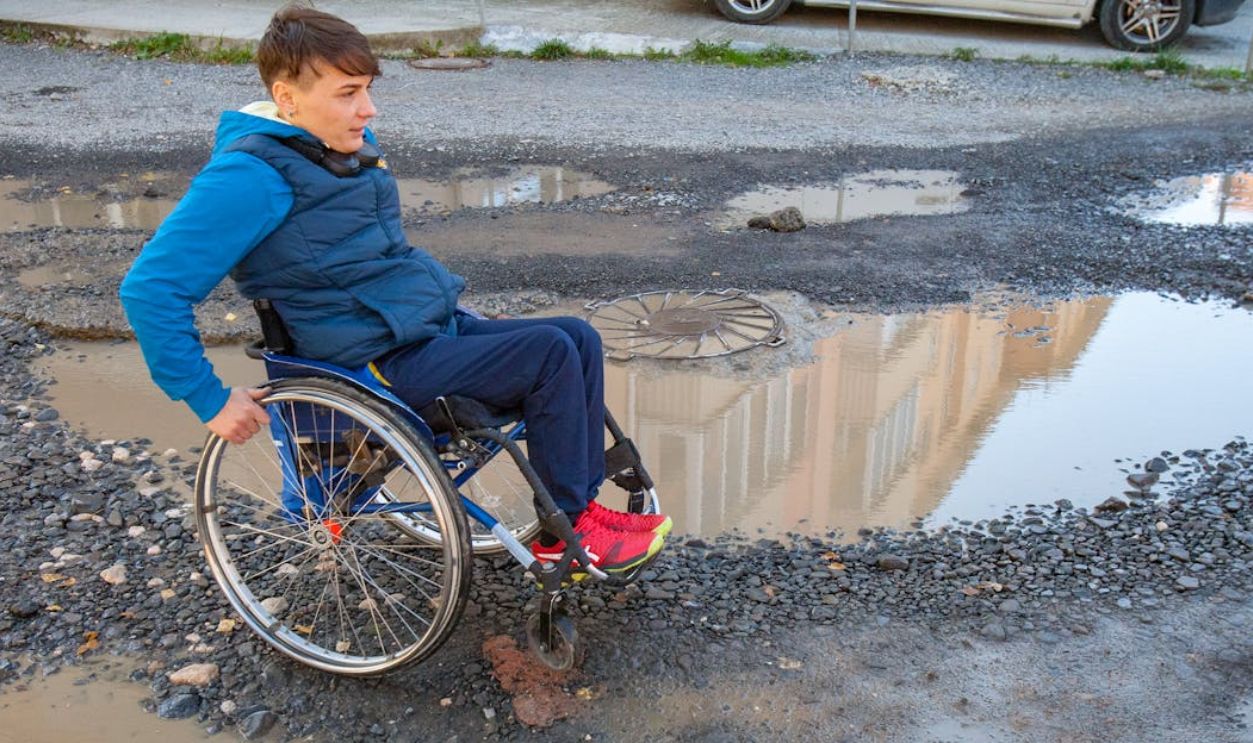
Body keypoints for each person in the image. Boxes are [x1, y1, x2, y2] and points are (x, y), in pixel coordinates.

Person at [119, 4, 670, 576]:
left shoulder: (334, 150)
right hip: (367, 366)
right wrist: (205, 397)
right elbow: (150, 289)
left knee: (576, 336)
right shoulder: (250, 178)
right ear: (287, 98)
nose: (367, 108)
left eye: (367, 89)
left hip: (414, 330)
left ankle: (580, 514)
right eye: (347, 92)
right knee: (549, 355)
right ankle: (569, 531)